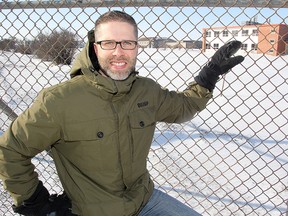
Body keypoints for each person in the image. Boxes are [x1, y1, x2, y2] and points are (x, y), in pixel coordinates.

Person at [0, 10, 244, 216]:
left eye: (128, 43)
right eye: (109, 43)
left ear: (136, 47)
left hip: (145, 200)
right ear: (95, 48)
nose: (119, 52)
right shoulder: (58, 101)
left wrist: (208, 76)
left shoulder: (146, 90)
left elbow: (184, 107)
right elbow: (10, 149)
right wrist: (36, 201)